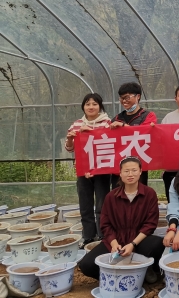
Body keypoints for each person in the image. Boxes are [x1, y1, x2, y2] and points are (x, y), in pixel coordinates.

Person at [79, 156, 164, 283]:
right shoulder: (111, 197)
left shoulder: (149, 194)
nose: (130, 174)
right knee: (87, 265)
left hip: (139, 240)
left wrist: (133, 244)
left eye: (134, 170)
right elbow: (105, 224)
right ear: (120, 173)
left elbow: (150, 224)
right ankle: (122, 276)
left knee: (159, 244)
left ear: (140, 171)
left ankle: (146, 268)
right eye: (126, 171)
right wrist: (114, 243)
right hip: (117, 240)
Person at [65, 93, 112, 246]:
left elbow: (112, 144)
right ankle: (88, 236)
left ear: (100, 106)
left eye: (94, 104)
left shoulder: (107, 123)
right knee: (85, 205)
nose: (91, 107)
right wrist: (71, 138)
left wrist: (91, 133)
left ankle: (103, 235)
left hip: (102, 170)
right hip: (83, 171)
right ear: (83, 107)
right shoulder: (77, 124)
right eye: (87, 104)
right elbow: (69, 148)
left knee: (102, 205)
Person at [110, 82, 157, 188]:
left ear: (138, 96)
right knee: (118, 195)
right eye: (121, 98)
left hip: (139, 166)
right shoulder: (116, 118)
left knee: (139, 194)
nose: (124, 101)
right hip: (119, 168)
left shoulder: (148, 116)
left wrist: (123, 126)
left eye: (127, 97)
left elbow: (143, 134)